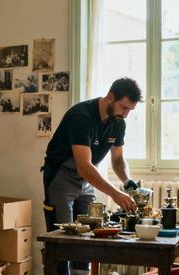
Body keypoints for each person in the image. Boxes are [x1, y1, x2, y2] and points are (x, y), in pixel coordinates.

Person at [41, 77, 140, 275]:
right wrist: (115, 194)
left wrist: (127, 182)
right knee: (63, 241)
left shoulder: (118, 122)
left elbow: (118, 160)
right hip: (62, 177)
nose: (126, 114)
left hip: (85, 180)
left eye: (130, 110)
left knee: (87, 236)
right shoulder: (81, 116)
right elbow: (83, 166)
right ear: (110, 97)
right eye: (124, 107)